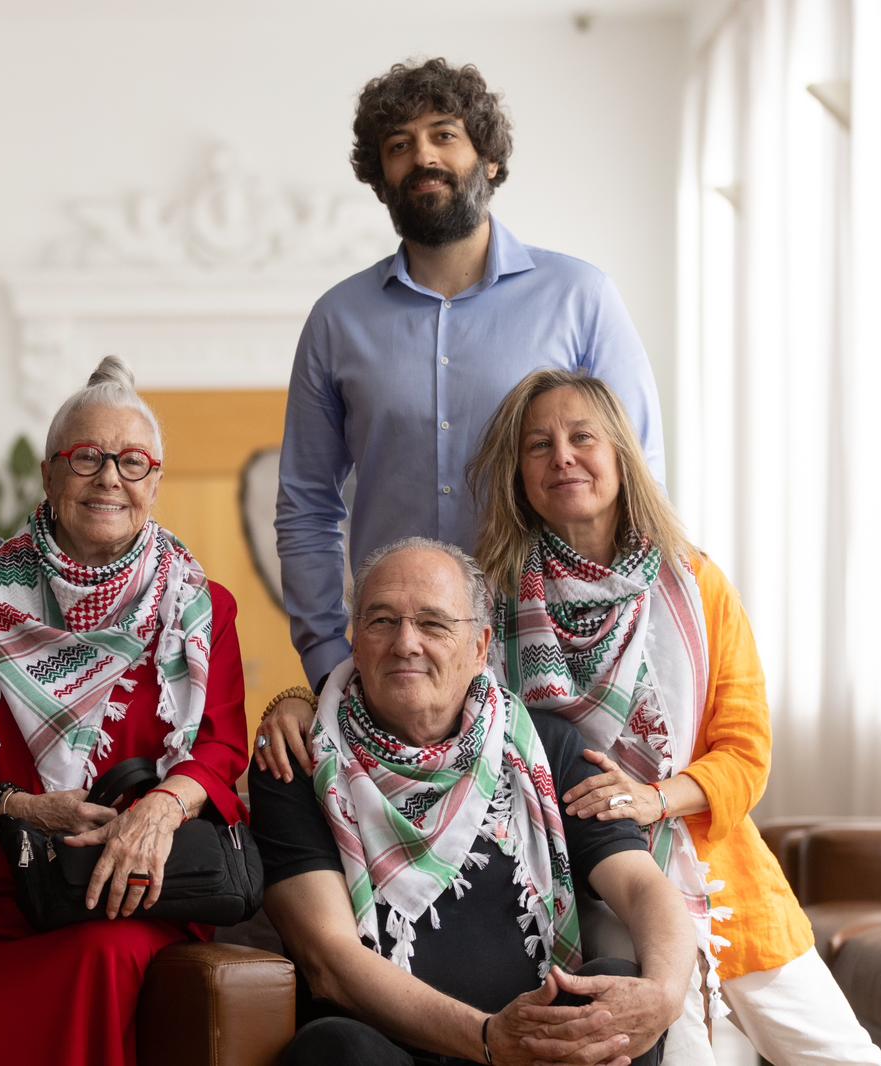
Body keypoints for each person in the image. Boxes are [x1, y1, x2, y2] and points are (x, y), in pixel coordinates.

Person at [463, 370, 881, 1063]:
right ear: (519, 476)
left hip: (726, 881)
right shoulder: (491, 603)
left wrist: (652, 798)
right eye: (538, 446)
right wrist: (299, 701)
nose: (562, 457)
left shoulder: (695, 581)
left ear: (620, 455)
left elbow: (745, 752)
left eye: (582, 437)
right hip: (597, 893)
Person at [0, 357, 250, 1066]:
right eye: (86, 457)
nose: (110, 477)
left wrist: (157, 812)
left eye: (133, 462)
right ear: (50, 476)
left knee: (102, 956)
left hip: (135, 889)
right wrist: (25, 809)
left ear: (155, 483)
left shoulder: (201, 609)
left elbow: (220, 750)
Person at [275, 57, 664, 698]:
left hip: (560, 650)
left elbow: (640, 476)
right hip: (398, 661)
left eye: (444, 135)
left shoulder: (581, 297)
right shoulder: (336, 320)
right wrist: (324, 656)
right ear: (381, 180)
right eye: (399, 146)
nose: (422, 156)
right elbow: (307, 505)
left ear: (490, 160)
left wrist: (621, 634)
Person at [250, 538, 693, 1066]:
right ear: (356, 642)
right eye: (382, 621)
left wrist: (666, 994)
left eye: (433, 624)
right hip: (395, 1051)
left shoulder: (543, 747)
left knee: (616, 995)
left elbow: (643, 886)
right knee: (337, 1049)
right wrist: (489, 1039)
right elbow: (329, 959)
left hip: (540, 1051)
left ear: (480, 647)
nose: (406, 643)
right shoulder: (297, 761)